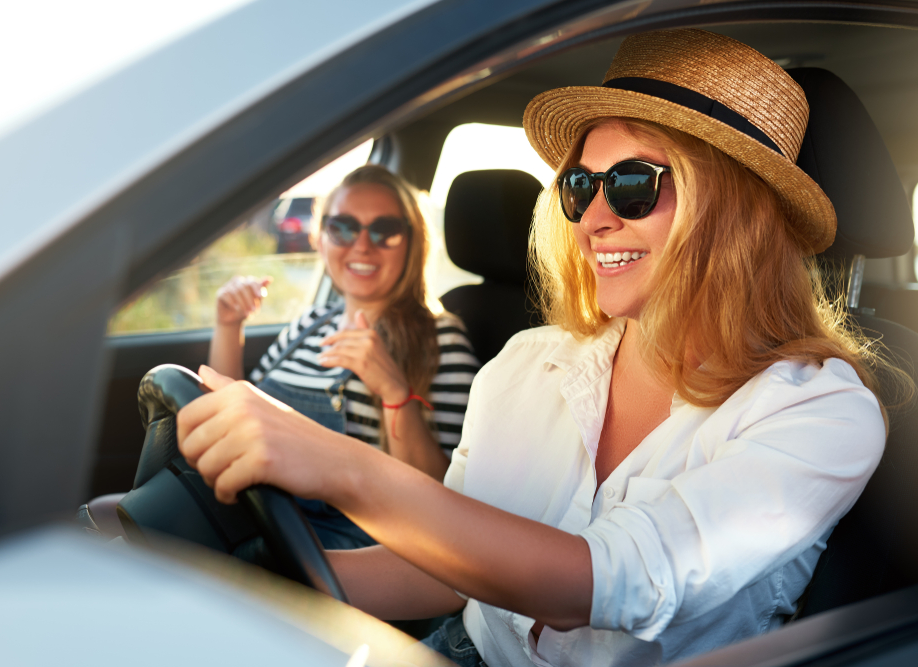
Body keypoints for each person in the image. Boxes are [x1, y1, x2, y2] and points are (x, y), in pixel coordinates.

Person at [179, 29, 899, 667]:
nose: (594, 217)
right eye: (582, 186)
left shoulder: (825, 410)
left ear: (733, 210)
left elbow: (608, 579)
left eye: (632, 184)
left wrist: (340, 468)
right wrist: (257, 575)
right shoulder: (529, 361)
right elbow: (450, 569)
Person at [207, 164, 479, 550]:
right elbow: (229, 413)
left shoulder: (441, 337)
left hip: (327, 548)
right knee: (107, 514)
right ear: (321, 239)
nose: (363, 245)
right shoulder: (312, 321)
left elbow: (443, 498)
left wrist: (393, 390)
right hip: (253, 512)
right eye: (344, 228)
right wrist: (228, 326)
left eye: (385, 230)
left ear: (412, 240)